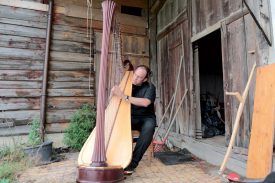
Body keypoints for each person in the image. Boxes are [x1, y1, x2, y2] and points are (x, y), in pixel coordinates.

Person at [111, 64, 156, 175]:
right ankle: (115, 157)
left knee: (149, 128)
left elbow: (145, 102)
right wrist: (114, 93)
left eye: (139, 77)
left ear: (145, 79)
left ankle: (132, 164)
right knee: (114, 126)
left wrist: (124, 96)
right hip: (129, 117)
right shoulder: (126, 84)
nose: (135, 78)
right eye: (135, 75)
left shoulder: (150, 87)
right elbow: (115, 99)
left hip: (146, 118)